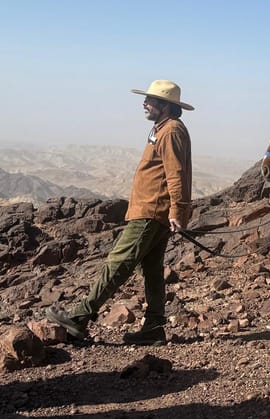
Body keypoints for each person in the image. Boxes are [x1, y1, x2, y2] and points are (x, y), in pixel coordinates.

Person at [46, 80, 194, 346]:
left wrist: (177, 210)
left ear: (165, 106)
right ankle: (154, 328)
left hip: (152, 210)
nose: (144, 103)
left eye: (150, 100)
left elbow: (176, 174)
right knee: (151, 270)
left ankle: (80, 317)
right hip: (153, 210)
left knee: (118, 261)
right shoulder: (163, 128)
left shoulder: (170, 130)